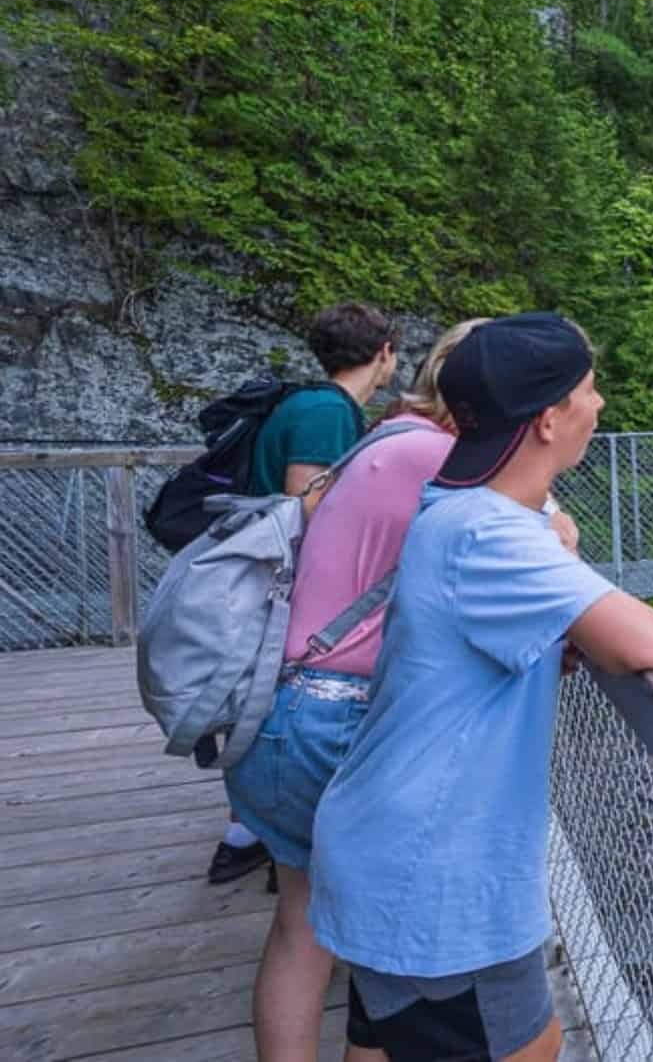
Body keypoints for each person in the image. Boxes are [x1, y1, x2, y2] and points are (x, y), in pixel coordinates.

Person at [308, 312, 653, 1062]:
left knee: (380, 1045)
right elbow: (645, 641)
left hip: (390, 847)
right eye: (588, 390)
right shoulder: (492, 536)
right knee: (532, 1047)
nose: (599, 405)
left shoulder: (457, 505)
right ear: (547, 420)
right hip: (435, 880)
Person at [223, 319, 492, 1062]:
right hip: (340, 723)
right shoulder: (441, 459)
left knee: (300, 929)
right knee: (387, 941)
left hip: (281, 707)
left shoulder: (382, 437)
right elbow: (524, 542)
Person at [209, 300, 400, 888]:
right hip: (284, 585)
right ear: (384, 354)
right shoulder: (327, 411)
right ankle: (266, 839)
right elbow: (308, 502)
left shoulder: (310, 403)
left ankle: (254, 832)